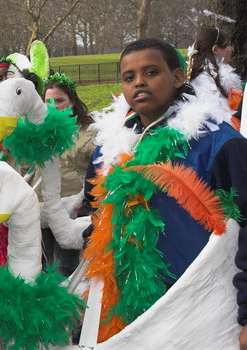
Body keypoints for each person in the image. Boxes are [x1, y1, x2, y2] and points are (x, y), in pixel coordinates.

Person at [80, 38, 247, 343]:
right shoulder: (110, 146)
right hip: (128, 307)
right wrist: (91, 287)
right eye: (129, 77)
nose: (139, 82)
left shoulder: (218, 142)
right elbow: (96, 216)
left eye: (151, 72)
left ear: (178, 77)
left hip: (197, 308)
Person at [39, 72, 95, 276]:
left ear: (72, 101)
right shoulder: (40, 130)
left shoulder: (90, 132)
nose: (54, 106)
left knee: (66, 267)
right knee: (45, 264)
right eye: (48, 101)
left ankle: (66, 306)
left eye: (60, 100)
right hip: (43, 209)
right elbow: (28, 165)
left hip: (72, 210)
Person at [188, 27, 243, 129]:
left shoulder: (214, 76)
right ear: (215, 49)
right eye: (228, 45)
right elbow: (217, 118)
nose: (232, 49)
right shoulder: (204, 81)